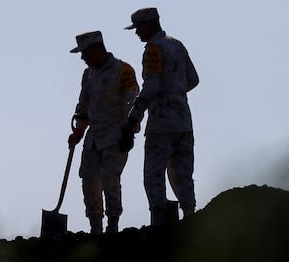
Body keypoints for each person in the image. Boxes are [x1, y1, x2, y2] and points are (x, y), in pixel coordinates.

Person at [122, 8, 199, 226]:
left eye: (138, 28)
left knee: (154, 174)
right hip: (184, 118)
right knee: (183, 173)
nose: (137, 33)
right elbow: (193, 79)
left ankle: (159, 223)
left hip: (162, 121)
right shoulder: (177, 44)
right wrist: (176, 93)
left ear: (150, 24)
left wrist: (133, 117)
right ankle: (190, 219)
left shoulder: (153, 49)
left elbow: (151, 86)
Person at [68, 30, 139, 234]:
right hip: (93, 139)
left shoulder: (122, 70)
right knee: (89, 181)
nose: (82, 58)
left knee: (110, 180)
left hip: (116, 134)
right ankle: (95, 228)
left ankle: (113, 226)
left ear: (97, 48)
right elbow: (83, 107)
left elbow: (133, 101)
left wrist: (130, 130)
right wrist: (78, 131)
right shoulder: (88, 75)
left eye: (85, 52)